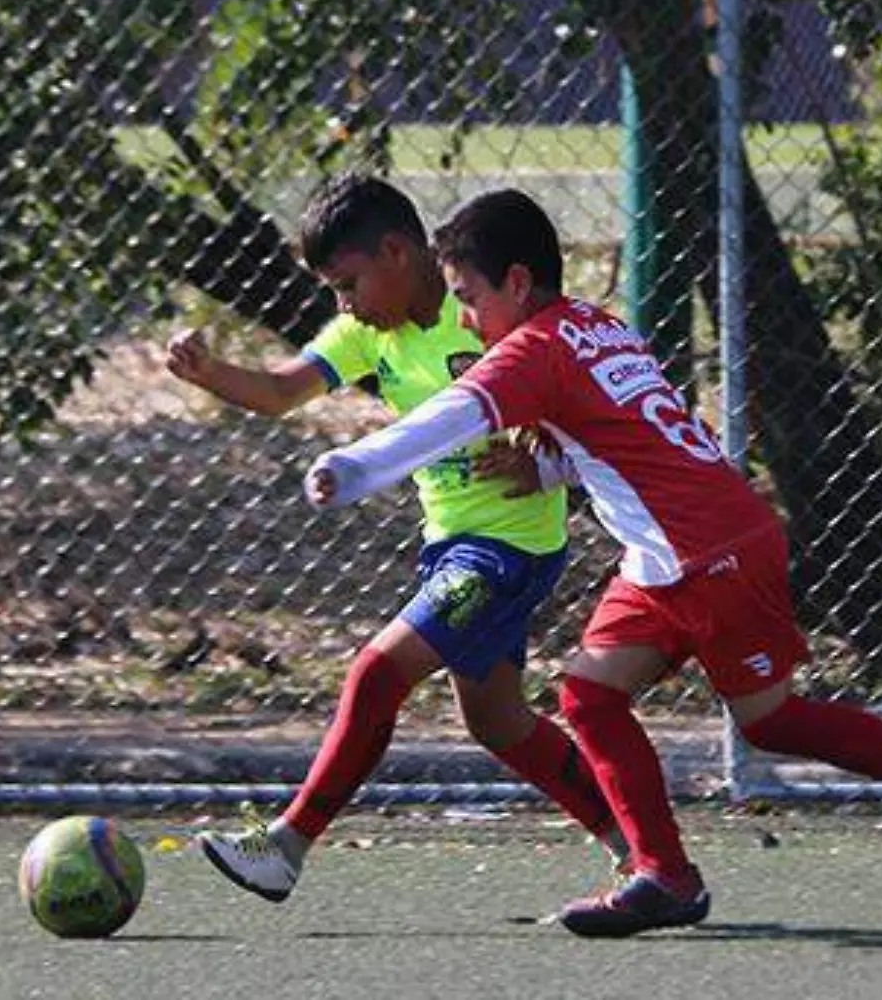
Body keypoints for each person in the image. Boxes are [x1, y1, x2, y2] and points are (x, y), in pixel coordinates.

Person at [302, 188, 882, 938]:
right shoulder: (593, 329)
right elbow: (626, 437)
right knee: (589, 697)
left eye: (469, 298)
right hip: (671, 554)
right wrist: (545, 471)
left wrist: (352, 467)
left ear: (515, 283)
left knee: (769, 721)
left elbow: (449, 419)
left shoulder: (531, 350)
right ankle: (664, 877)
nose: (465, 319)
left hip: (712, 553)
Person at [169, 174, 622, 902]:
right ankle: (634, 842)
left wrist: (547, 463)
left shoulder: (484, 314)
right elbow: (283, 391)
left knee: (378, 673)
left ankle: (287, 844)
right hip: (450, 546)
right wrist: (208, 372)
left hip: (508, 551)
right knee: (499, 722)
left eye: (348, 283)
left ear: (397, 253)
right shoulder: (363, 334)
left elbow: (585, 406)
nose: (342, 305)